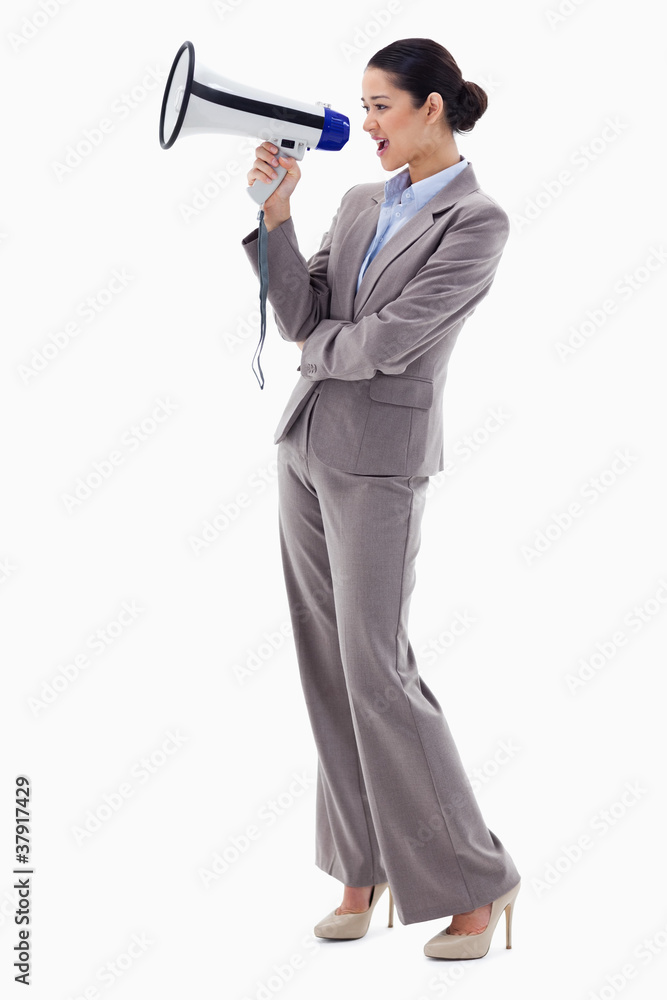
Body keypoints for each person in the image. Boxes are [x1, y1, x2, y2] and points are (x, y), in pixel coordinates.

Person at [241, 37, 521, 960]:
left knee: (376, 669)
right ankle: (361, 867)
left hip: (381, 461)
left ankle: (476, 879)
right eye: (362, 108)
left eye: (380, 108)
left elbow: (390, 341)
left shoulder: (475, 223)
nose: (364, 126)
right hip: (306, 446)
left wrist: (318, 347)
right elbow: (299, 312)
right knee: (326, 666)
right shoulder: (361, 201)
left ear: (431, 108)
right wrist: (276, 218)